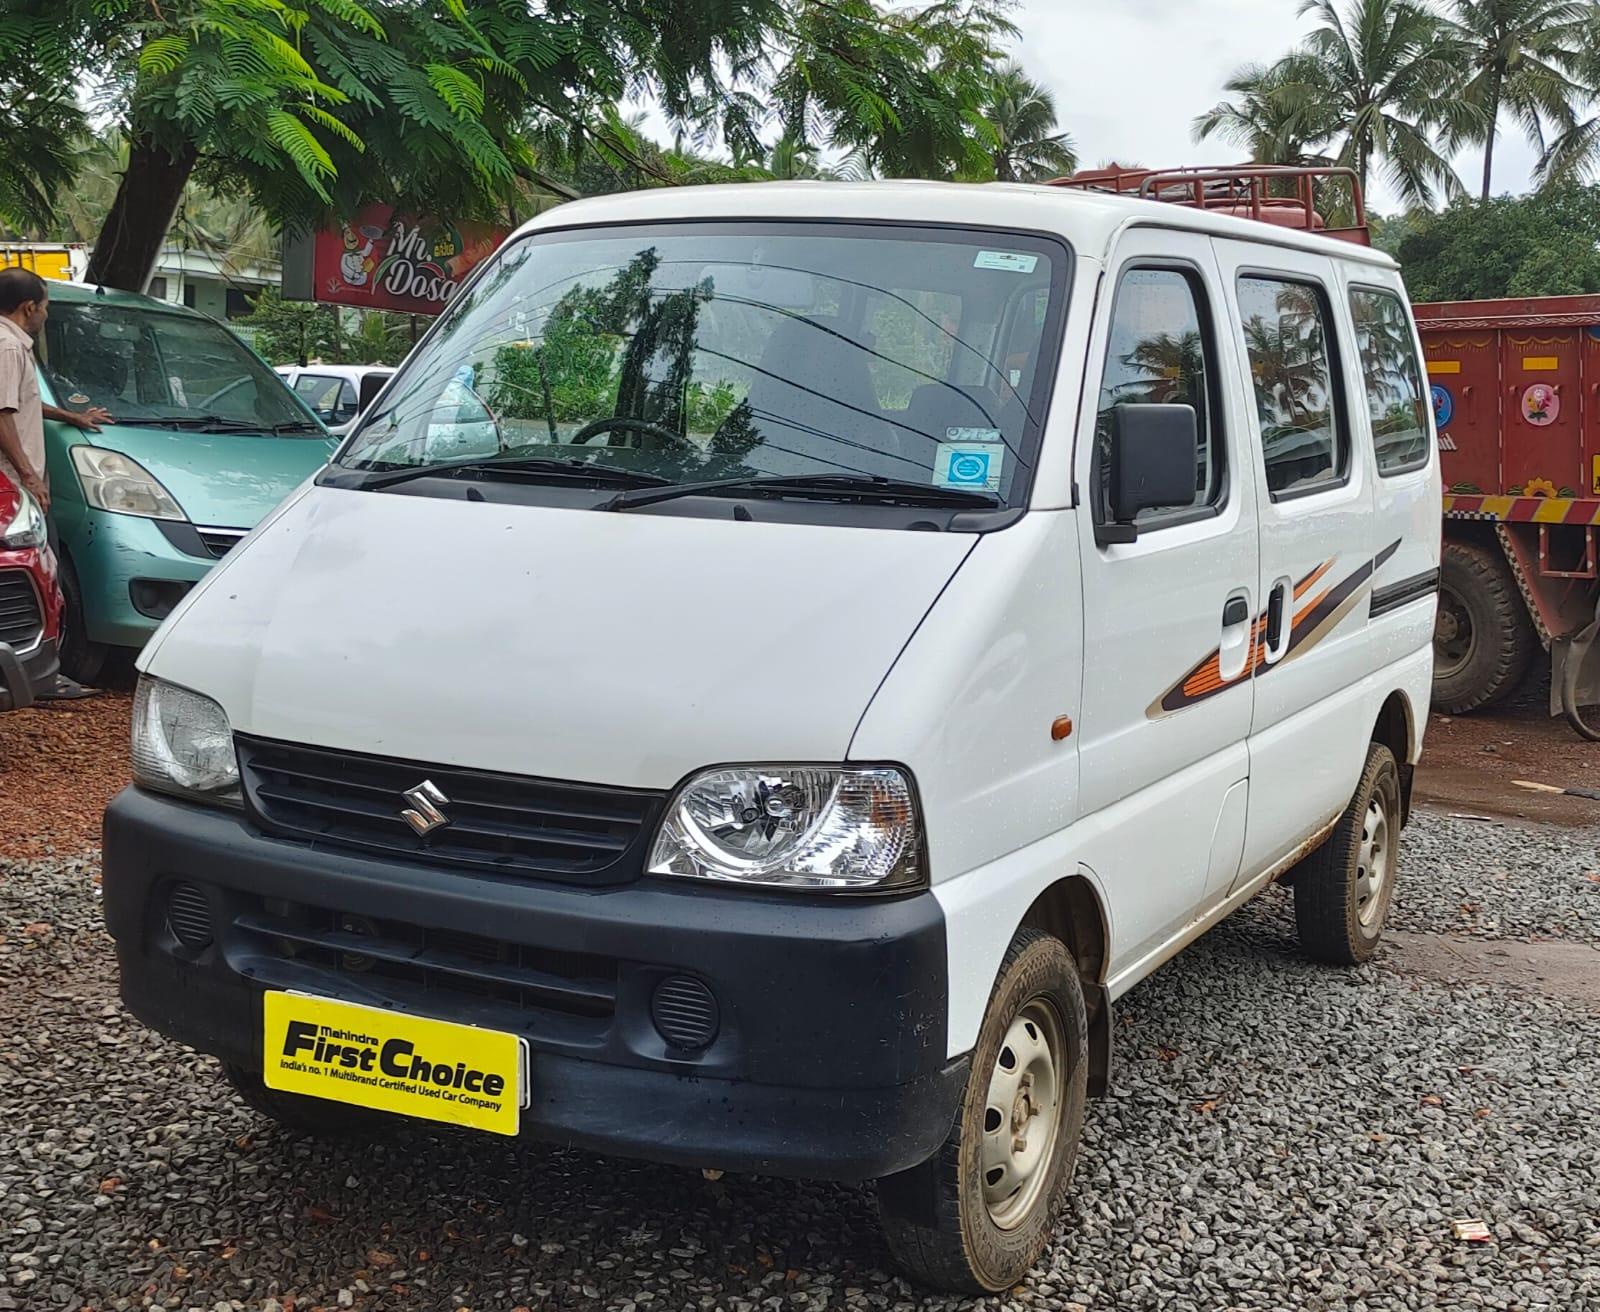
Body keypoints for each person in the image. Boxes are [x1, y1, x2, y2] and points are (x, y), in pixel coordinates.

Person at [0, 266, 113, 699]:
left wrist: (71, 416)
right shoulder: (10, 347)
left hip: (16, 483)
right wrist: (29, 475)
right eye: (45, 306)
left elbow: (19, 401)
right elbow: (4, 412)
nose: (45, 314)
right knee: (40, 576)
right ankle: (42, 672)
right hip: (13, 488)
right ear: (29, 307)